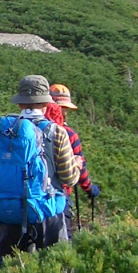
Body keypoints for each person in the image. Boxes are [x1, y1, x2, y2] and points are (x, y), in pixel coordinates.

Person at [0, 75, 79, 268]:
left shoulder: (3, 130)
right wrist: (77, 165)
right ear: (46, 104)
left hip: (9, 209)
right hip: (47, 211)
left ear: (20, 103)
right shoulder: (57, 132)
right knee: (56, 267)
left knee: (6, 266)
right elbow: (69, 178)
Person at [49, 83, 101, 234]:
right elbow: (80, 168)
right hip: (60, 196)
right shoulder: (69, 135)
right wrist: (90, 189)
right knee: (62, 245)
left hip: (30, 195)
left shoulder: (29, 127)